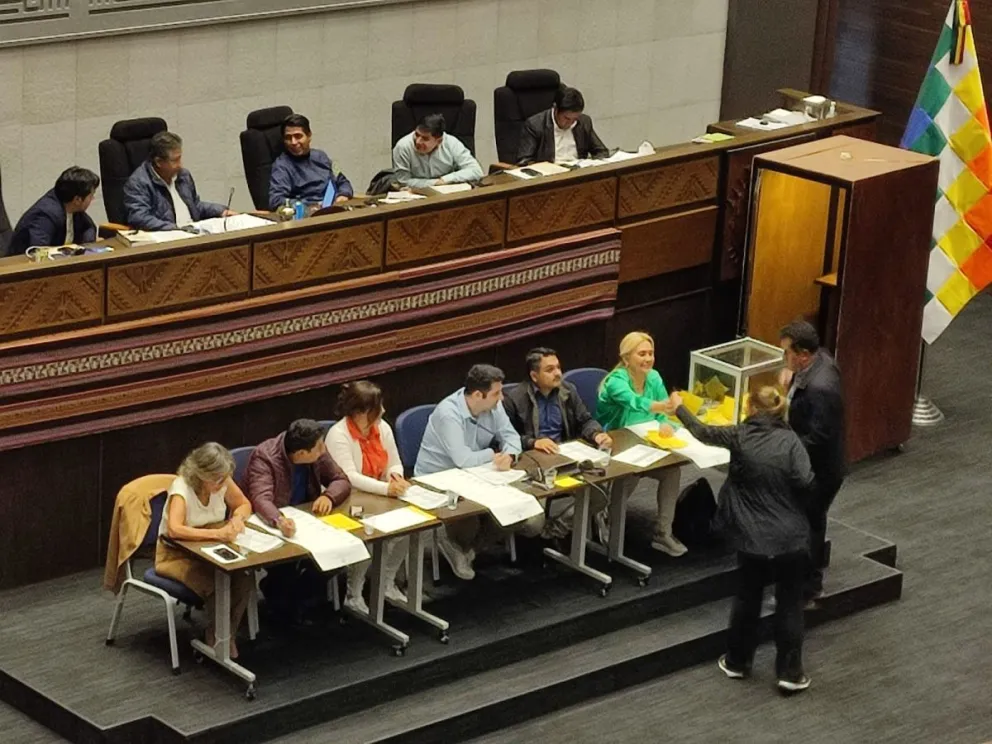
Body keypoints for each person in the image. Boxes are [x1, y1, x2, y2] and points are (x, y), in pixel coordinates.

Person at [671, 386, 815, 692]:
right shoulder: (792, 441)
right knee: (790, 603)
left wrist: (679, 407)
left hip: (752, 536)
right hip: (790, 536)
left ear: (750, 407)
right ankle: (790, 673)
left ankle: (737, 662)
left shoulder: (739, 436)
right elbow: (806, 481)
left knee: (748, 597)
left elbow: (702, 431)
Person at [414, 364, 543, 579]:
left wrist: (510, 455)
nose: (502, 398)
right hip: (438, 481)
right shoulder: (448, 414)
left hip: (479, 476)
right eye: (496, 393)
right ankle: (454, 545)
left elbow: (511, 436)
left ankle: (466, 549)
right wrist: (493, 453)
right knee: (470, 521)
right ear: (477, 395)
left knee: (527, 518)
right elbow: (463, 460)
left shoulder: (494, 406)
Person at [245, 419, 351, 622]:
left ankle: (298, 600)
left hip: (308, 520)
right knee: (285, 567)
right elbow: (261, 499)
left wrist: (329, 496)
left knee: (340, 553)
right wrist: (279, 520)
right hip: (273, 524)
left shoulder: (317, 451)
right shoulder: (265, 457)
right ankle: (284, 606)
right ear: (302, 454)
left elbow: (341, 479)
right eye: (319, 448)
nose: (323, 450)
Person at [154, 442, 254, 658]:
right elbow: (174, 529)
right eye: (216, 479)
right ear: (201, 474)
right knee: (214, 583)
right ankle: (217, 636)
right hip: (176, 555)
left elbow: (243, 504)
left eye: (223, 478)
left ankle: (226, 635)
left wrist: (237, 519)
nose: (221, 484)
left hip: (211, 549)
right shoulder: (182, 488)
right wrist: (218, 534)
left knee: (244, 577)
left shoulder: (222, 480)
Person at [503, 347, 613, 538]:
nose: (558, 373)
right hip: (533, 465)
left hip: (564, 458)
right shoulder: (515, 398)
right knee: (533, 524)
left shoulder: (567, 391)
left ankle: (556, 529)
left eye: (558, 367)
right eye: (550, 369)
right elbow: (505, 437)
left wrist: (596, 434)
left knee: (599, 497)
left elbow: (585, 420)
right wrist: (532, 442)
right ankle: (538, 536)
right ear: (534, 376)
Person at [596, 331, 686, 556]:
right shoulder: (615, 381)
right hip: (615, 443)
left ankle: (663, 533)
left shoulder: (654, 377)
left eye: (650, 353)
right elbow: (634, 402)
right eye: (642, 354)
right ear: (626, 358)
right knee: (630, 476)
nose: (648, 359)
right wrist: (663, 407)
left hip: (647, 442)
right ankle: (608, 520)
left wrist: (666, 424)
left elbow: (664, 416)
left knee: (672, 472)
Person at [325, 381, 412, 613]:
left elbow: (394, 461)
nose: (383, 410)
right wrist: (387, 489)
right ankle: (354, 593)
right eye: (376, 407)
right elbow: (350, 477)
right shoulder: (338, 435)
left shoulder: (382, 428)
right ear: (360, 412)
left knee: (410, 528)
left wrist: (395, 477)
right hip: (348, 500)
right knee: (368, 535)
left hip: (381, 494)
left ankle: (386, 582)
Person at [779, 321, 846, 602]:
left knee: (810, 525)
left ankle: (808, 587)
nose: (783, 358)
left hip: (820, 471)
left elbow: (818, 437)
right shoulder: (820, 361)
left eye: (786, 353)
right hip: (814, 465)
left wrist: (783, 450)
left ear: (803, 355)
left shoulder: (821, 389)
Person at [123, 131, 235, 231]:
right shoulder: (138, 183)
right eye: (175, 160)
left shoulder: (183, 175)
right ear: (158, 162)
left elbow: (195, 205)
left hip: (193, 232)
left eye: (180, 158)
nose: (180, 165)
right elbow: (139, 218)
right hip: (169, 238)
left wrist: (221, 211)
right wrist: (176, 229)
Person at [268, 113, 353, 210]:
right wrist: (303, 205)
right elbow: (275, 200)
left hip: (334, 207)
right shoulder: (281, 166)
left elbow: (343, 181)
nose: (293, 142)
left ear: (309, 136)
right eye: (288, 138)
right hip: (306, 213)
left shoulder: (322, 156)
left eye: (298, 136)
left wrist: (343, 195)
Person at [8, 167, 100, 255]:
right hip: (20, 264)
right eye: (91, 196)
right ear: (77, 200)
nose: (92, 199)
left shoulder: (72, 207)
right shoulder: (45, 215)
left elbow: (89, 228)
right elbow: (39, 252)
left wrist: (84, 248)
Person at [517, 86, 609, 165]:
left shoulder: (584, 122)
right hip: (551, 175)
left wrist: (591, 164)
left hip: (578, 173)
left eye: (575, 119)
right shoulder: (535, 125)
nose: (570, 123)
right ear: (555, 108)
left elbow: (602, 152)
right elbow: (525, 161)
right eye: (566, 118)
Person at [392, 113, 483, 189]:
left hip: (448, 193)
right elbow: (403, 182)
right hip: (415, 195)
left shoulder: (451, 143)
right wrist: (436, 183)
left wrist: (445, 180)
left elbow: (476, 171)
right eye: (417, 134)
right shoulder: (403, 147)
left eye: (425, 138)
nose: (418, 141)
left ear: (439, 141)